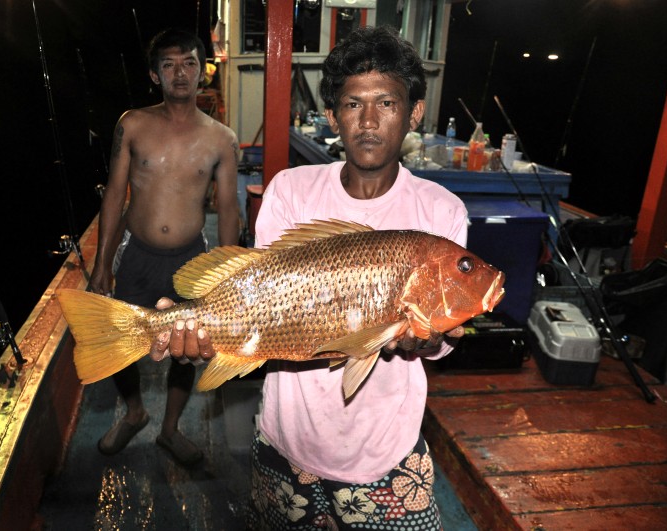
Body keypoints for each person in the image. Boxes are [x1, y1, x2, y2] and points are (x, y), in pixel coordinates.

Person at [150, 26, 467, 528]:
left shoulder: (440, 211)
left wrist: (423, 341)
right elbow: (261, 302)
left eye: (386, 103)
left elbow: (440, 338)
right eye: (351, 104)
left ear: (415, 112)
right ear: (332, 115)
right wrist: (206, 335)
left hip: (385, 450)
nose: (367, 121)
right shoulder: (289, 192)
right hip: (287, 440)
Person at [87, 27, 240, 465]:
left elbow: (228, 210)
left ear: (202, 72)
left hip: (191, 256)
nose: (180, 73)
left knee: (187, 345)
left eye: (189, 63)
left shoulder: (221, 139)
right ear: (155, 75)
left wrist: (228, 276)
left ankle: (170, 430)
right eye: (169, 65)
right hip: (135, 252)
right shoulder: (132, 124)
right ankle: (134, 412)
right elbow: (115, 196)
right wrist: (102, 264)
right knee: (118, 338)